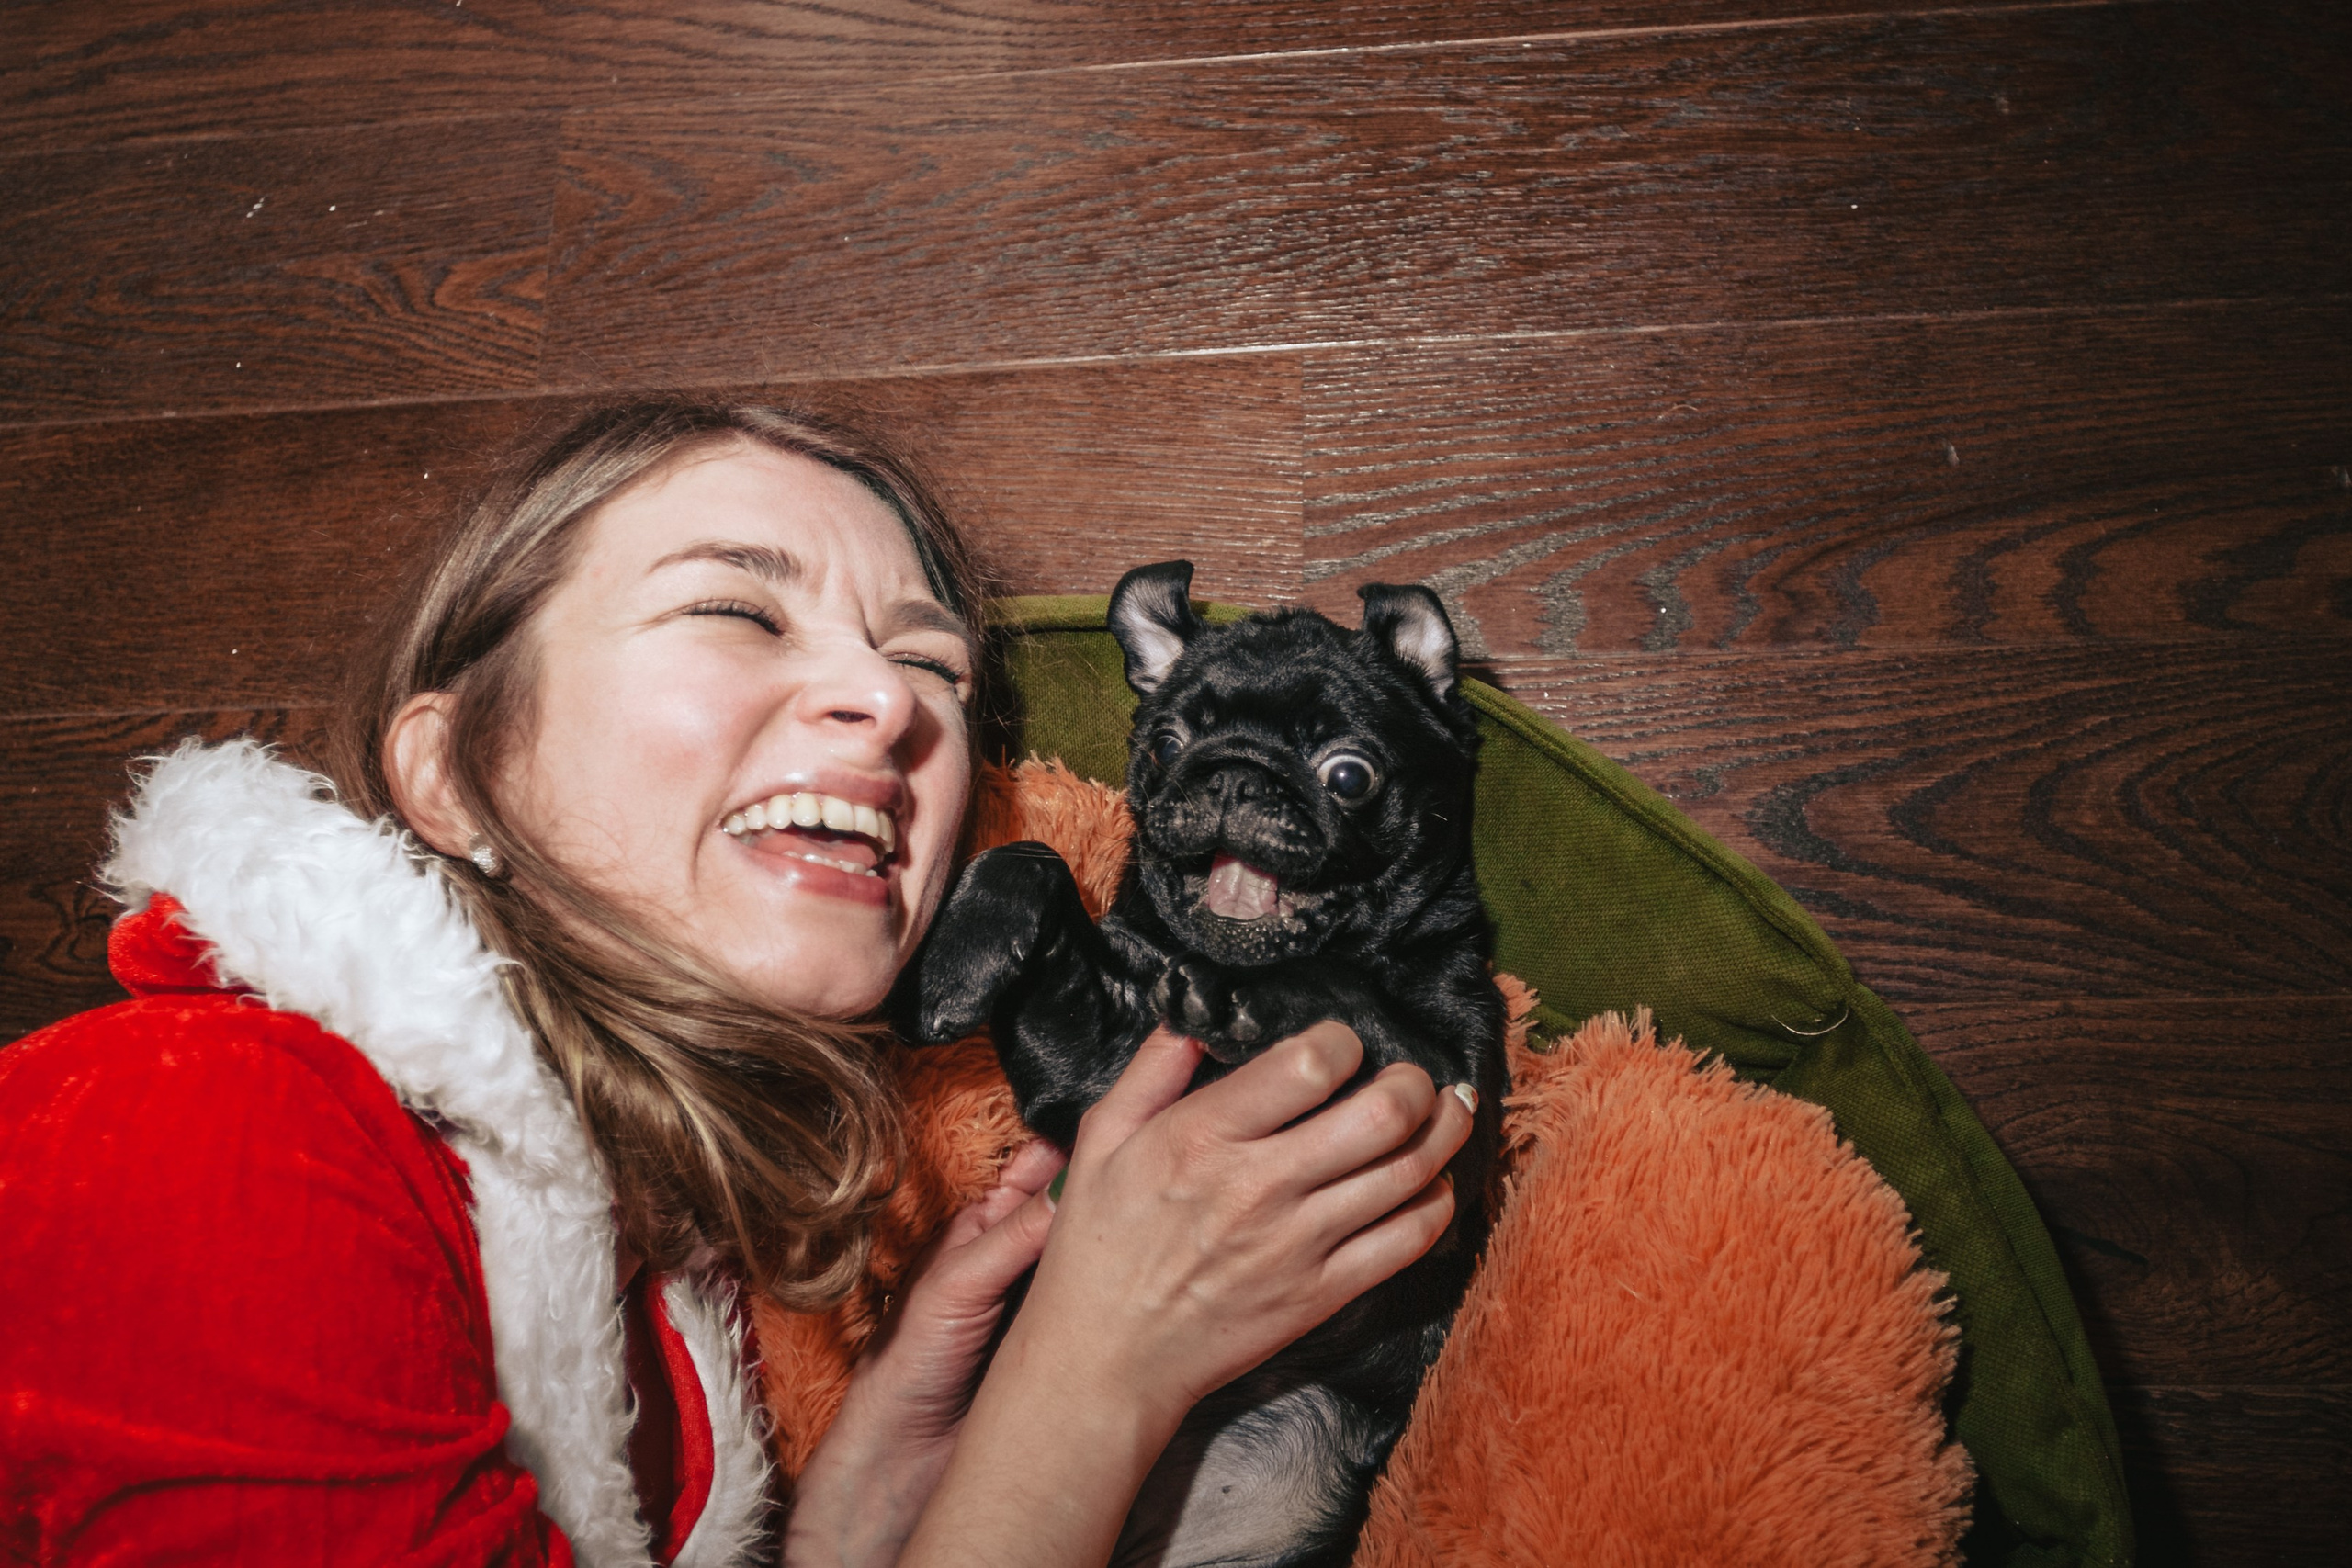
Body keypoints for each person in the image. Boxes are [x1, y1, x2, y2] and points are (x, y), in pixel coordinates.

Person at [0, 400, 1476, 1567]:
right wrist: (1090, 1378)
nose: (892, 699)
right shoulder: (203, 1129)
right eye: (740, 612)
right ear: (450, 774)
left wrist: (841, 1540)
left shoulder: (685, 1286)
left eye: (931, 664)